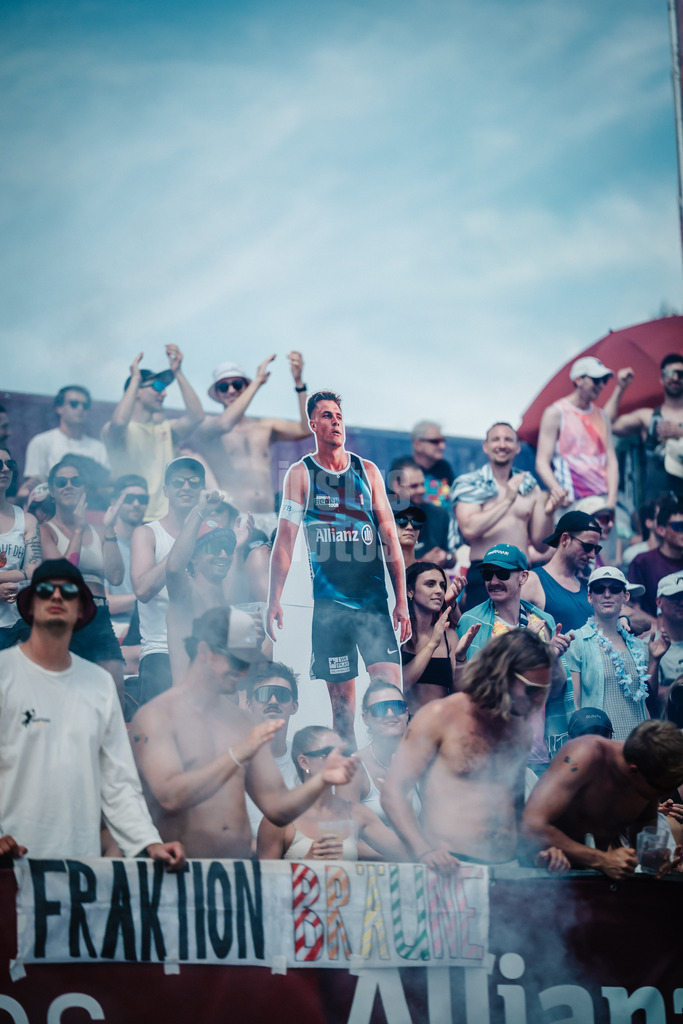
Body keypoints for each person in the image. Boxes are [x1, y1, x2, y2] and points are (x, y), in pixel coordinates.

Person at [0, 559, 184, 870]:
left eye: (69, 591)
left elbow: (118, 779)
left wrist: (148, 842)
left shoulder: (99, 684)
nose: (57, 597)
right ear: (30, 606)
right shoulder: (3, 673)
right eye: (46, 590)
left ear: (80, 610)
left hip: (79, 868)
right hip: (9, 864)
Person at [130, 607, 357, 859]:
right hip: (180, 872)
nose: (243, 672)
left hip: (239, 877)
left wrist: (321, 779)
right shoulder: (157, 716)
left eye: (247, 663)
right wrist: (237, 755)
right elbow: (170, 796)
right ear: (204, 652)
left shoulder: (243, 724)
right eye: (237, 661)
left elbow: (277, 807)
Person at [267, 390, 410, 742]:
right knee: (343, 713)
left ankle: (394, 779)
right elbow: (284, 541)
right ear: (313, 424)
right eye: (328, 416)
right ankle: (345, 788)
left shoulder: (368, 471)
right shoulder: (301, 474)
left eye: (339, 416)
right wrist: (274, 599)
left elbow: (391, 539)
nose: (335, 422)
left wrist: (402, 600)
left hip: (373, 605)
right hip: (331, 611)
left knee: (389, 697)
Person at [381, 630, 568, 872]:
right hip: (451, 868)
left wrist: (535, 853)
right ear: (502, 676)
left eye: (543, 691)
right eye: (531, 690)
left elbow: (515, 806)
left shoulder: (521, 729)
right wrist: (423, 851)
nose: (537, 701)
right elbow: (393, 793)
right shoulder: (439, 716)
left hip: (507, 867)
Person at [457, 543, 575, 768]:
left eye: (502, 573)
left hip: (539, 751)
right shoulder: (472, 622)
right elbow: (469, 689)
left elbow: (557, 689)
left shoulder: (543, 622)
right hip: (492, 752)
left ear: (523, 577)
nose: (493, 581)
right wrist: (521, 646)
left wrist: (554, 657)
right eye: (487, 574)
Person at [521, 720, 683, 879]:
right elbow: (531, 825)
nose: (668, 795)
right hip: (540, 876)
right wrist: (601, 859)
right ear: (634, 771)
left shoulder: (648, 780)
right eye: (661, 789)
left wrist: (661, 864)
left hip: (594, 881)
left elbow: (644, 851)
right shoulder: (584, 755)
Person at [197, 354, 312, 532]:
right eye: (223, 386)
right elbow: (224, 423)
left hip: (269, 517)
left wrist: (299, 384)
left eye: (236, 385)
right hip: (235, 517)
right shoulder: (210, 428)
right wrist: (257, 382)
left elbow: (306, 429)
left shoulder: (265, 426)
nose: (230, 391)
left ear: (245, 387)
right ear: (217, 394)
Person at [40, 457, 126, 697]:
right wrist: (78, 529)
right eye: (61, 482)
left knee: (115, 693)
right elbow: (62, 576)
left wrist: (109, 529)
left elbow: (117, 577)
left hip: (99, 614)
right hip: (64, 616)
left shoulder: (100, 532)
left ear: (84, 488)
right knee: (70, 696)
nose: (69, 486)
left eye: (76, 481)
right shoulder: (45, 530)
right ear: (52, 492)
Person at [257, 725, 406, 861]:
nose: (338, 759)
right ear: (304, 762)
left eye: (343, 753)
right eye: (327, 753)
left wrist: (398, 803)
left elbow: (409, 854)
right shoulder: (280, 819)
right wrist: (306, 863)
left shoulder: (356, 813)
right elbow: (264, 882)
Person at [453, 422, 560, 608]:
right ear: (486, 446)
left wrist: (549, 514)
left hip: (522, 574)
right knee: (483, 635)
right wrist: (508, 499)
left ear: (517, 447)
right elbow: (469, 529)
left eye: (508, 439)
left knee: (524, 635)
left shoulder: (529, 486)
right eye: (496, 439)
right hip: (485, 573)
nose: (502, 444)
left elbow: (541, 547)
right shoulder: (469, 483)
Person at [130, 456, 206, 703]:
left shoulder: (214, 534)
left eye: (194, 482)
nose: (186, 487)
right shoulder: (147, 533)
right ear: (165, 490)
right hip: (159, 652)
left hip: (205, 653)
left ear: (202, 490)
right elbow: (142, 590)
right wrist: (186, 539)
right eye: (178, 482)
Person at [102, 348, 204, 521]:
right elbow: (118, 422)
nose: (163, 393)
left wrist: (178, 372)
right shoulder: (118, 431)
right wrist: (135, 379)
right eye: (157, 386)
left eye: (164, 388)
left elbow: (197, 416)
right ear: (137, 392)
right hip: (130, 517)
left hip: (165, 519)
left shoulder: (166, 428)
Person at [565, 566, 667, 738]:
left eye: (615, 589)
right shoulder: (577, 641)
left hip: (638, 745)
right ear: (590, 597)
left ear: (625, 597)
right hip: (601, 746)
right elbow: (574, 706)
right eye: (599, 589)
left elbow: (649, 700)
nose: (607, 594)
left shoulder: (639, 646)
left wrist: (654, 661)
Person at [535, 355, 619, 510]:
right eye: (596, 380)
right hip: (572, 502)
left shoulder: (602, 416)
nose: (601, 385)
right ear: (579, 380)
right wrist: (557, 490)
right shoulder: (556, 412)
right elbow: (541, 461)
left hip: (602, 501)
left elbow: (611, 460)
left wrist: (612, 500)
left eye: (604, 380)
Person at [336, 680, 416, 827]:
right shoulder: (353, 768)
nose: (390, 713)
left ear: (406, 713)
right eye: (380, 709)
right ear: (366, 718)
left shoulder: (420, 759)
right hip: (376, 850)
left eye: (397, 707)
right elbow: (343, 838)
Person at [401, 561, 474, 713]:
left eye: (442, 585)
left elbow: (459, 694)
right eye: (430, 584)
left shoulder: (449, 636)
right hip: (404, 727)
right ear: (410, 591)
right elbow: (400, 683)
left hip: (440, 725)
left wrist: (461, 658)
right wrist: (432, 643)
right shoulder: (398, 633)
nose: (439, 591)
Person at [610, 354, 683, 501]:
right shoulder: (647, 417)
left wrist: (680, 433)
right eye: (670, 373)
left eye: (680, 374)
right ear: (662, 379)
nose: (675, 378)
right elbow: (609, 425)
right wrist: (620, 387)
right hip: (656, 509)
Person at [245, 662, 302, 840]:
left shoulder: (306, 759)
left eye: (282, 695)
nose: (273, 701)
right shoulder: (233, 760)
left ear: (294, 706)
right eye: (264, 695)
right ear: (249, 705)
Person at [522, 510, 603, 630]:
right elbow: (503, 628)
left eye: (596, 549)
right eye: (588, 546)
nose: (592, 555)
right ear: (565, 539)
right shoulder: (532, 581)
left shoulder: (588, 586)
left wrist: (622, 619)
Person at [21, 385, 109, 494]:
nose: (80, 408)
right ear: (59, 408)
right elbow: (34, 486)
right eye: (74, 404)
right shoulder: (41, 442)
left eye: (85, 405)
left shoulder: (98, 447)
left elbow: (105, 487)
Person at [0, 446, 42, 647]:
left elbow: (33, 570)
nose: (5, 469)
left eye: (10, 464)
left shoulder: (26, 520)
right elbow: (26, 571)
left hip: (17, 624)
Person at [388, 456, 455, 568]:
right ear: (396, 486)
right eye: (414, 486)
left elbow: (453, 559)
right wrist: (422, 563)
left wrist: (446, 557)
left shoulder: (439, 514)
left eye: (422, 484)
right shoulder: (381, 516)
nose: (421, 490)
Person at [105, 474, 149, 642]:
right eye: (129, 498)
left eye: (142, 499)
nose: (136, 504)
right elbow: (104, 603)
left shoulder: (156, 543)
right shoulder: (105, 545)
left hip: (150, 625)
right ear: (114, 502)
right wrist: (147, 595)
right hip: (115, 627)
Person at [628, 494, 683, 621]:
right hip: (653, 635)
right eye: (678, 526)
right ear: (661, 530)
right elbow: (633, 608)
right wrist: (662, 628)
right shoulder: (642, 561)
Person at [653, 573, 683, 714]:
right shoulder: (651, 645)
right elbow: (652, 692)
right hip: (667, 730)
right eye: (675, 598)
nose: (682, 602)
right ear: (659, 602)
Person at [410, 420, 454, 509]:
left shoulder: (444, 467)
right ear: (417, 444)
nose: (442, 446)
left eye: (443, 441)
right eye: (435, 441)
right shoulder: (404, 468)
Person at [393, 504, 426, 570]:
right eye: (401, 521)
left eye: (416, 522)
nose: (410, 527)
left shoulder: (427, 573)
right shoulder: (379, 572)